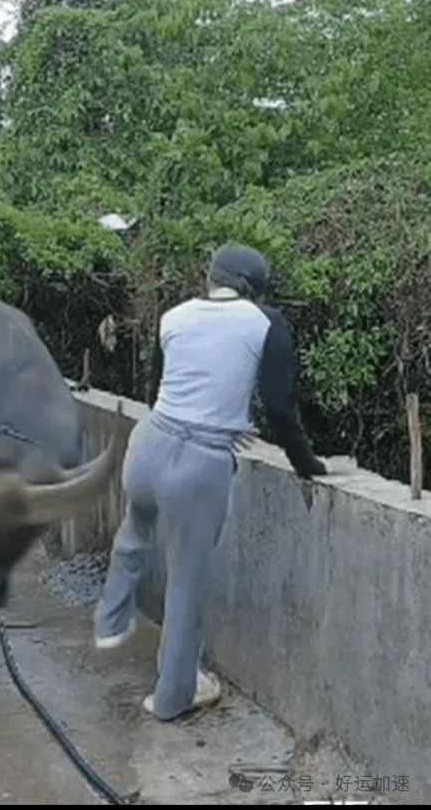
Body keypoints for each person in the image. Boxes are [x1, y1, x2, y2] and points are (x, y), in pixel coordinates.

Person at [93, 243, 327, 721]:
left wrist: (214, 418)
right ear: (255, 289)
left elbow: (162, 389)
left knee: (134, 531)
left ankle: (111, 615)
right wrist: (309, 465)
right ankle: (173, 697)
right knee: (186, 584)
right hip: (198, 464)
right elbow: (280, 409)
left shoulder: (173, 316)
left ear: (211, 277)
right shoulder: (267, 324)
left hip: (149, 443)